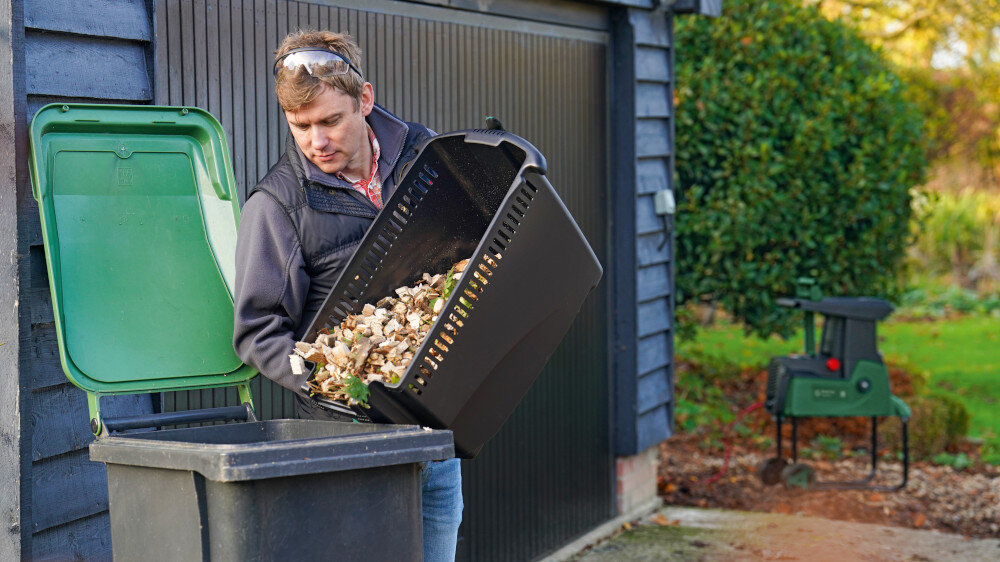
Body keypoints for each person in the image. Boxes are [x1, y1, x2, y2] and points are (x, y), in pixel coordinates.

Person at [232, 29, 463, 561]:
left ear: (365, 100)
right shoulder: (276, 207)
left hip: (435, 432)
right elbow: (258, 332)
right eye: (300, 126)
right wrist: (337, 380)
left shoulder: (425, 155)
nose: (316, 141)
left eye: (330, 120)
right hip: (345, 446)